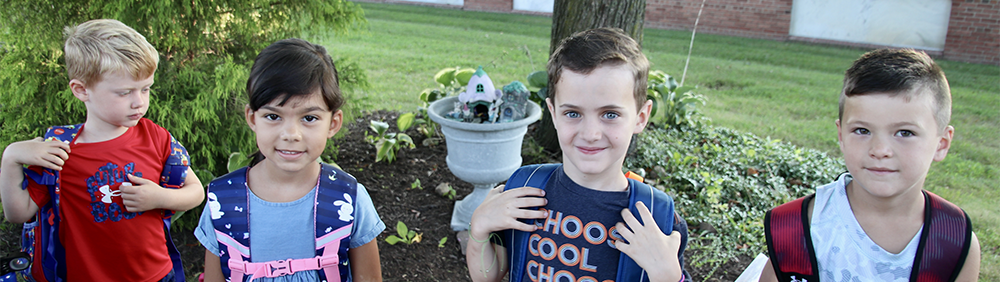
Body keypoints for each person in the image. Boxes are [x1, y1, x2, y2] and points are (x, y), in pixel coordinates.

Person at [466, 27, 689, 282]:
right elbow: (487, 278)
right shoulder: (523, 191)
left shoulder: (657, 221)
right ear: (553, 113)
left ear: (641, 117)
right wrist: (479, 227)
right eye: (573, 113)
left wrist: (669, 276)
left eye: (610, 114)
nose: (591, 133)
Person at [0, 19, 205, 281]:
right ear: (81, 90)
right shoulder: (59, 151)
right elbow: (18, 213)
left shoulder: (155, 135)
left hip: (156, 275)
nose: (139, 102)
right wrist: (11, 158)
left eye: (146, 89)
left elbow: (196, 192)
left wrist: (159, 198)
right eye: (124, 93)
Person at [759, 49, 981, 282]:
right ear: (841, 135)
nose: (880, 150)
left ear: (941, 144)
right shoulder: (797, 229)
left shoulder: (954, 244)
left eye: (905, 132)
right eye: (862, 130)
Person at [195, 38, 385, 282]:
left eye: (309, 118)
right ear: (252, 119)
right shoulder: (222, 203)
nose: (290, 134)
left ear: (333, 123)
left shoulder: (348, 199)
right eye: (273, 116)